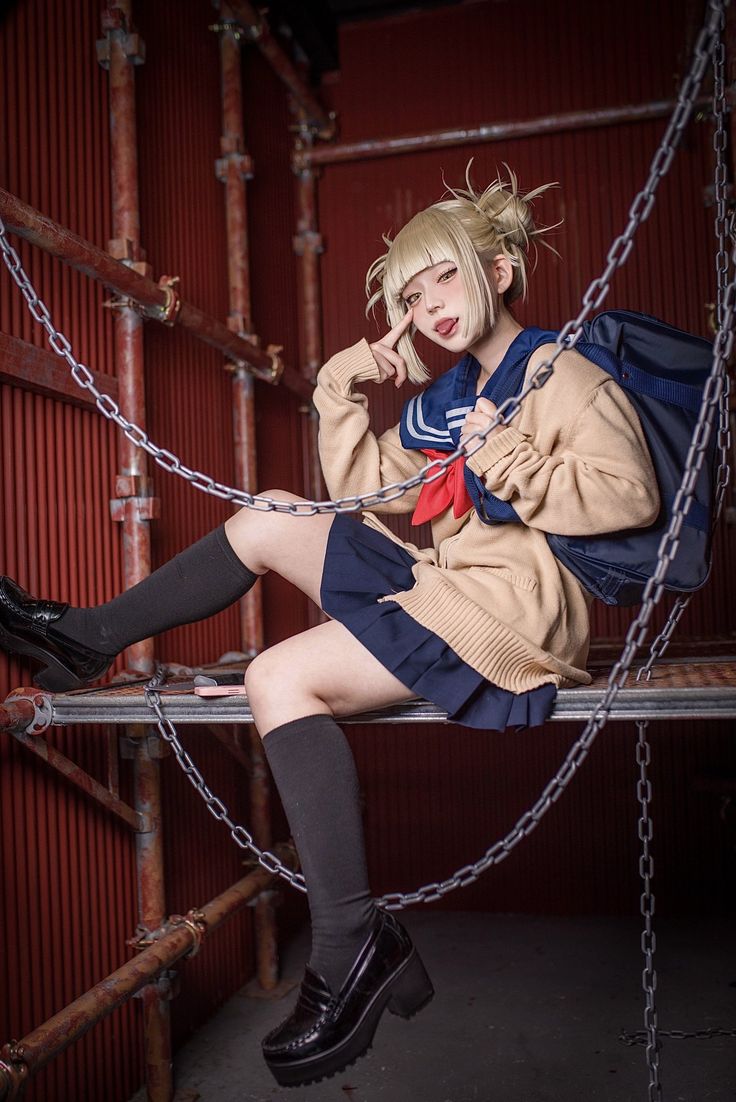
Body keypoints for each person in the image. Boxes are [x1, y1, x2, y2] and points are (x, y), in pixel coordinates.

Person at [0, 169, 659, 1087]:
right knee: (272, 511)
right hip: (448, 583)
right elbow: (367, 497)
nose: (429, 307)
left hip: (517, 611)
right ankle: (86, 639)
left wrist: (515, 461)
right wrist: (344, 388)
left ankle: (353, 943)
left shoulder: (563, 374)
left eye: (446, 280)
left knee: (279, 676)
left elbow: (633, 496)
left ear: (500, 272)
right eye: (411, 293)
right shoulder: (450, 397)